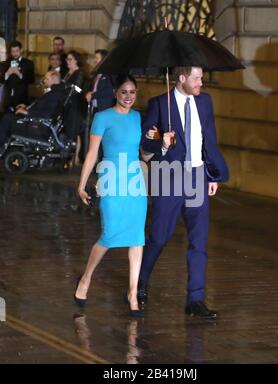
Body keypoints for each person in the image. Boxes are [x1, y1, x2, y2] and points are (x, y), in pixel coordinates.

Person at [138, 66, 229, 319]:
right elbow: (144, 145)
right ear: (181, 78)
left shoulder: (205, 102)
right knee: (159, 237)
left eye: (202, 77)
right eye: (196, 77)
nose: (201, 81)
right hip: (169, 179)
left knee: (199, 241)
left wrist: (212, 174)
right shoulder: (159, 104)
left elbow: (209, 140)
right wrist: (161, 143)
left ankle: (196, 299)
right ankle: (141, 280)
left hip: (198, 177)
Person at [74, 74, 147, 317]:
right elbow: (92, 153)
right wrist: (82, 184)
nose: (129, 97)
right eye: (124, 92)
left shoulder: (138, 117)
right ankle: (86, 278)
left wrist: (164, 143)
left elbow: (145, 155)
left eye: (133, 92)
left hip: (135, 181)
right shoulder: (103, 117)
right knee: (109, 234)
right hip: (111, 179)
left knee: (137, 239)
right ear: (115, 92)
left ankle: (132, 292)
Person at [0, 70, 65, 144]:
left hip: (37, 127)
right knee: (9, 114)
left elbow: (47, 115)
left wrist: (27, 112)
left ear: (53, 79)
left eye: (46, 79)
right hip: (36, 123)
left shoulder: (54, 95)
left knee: (7, 118)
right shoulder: (56, 92)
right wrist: (27, 107)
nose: (44, 81)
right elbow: (42, 107)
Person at [63, 50, 85, 164]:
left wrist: (69, 86)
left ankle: (75, 157)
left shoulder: (79, 73)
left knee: (74, 132)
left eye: (70, 59)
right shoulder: (69, 73)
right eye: (67, 59)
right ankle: (71, 156)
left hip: (75, 106)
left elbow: (79, 89)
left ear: (76, 60)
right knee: (69, 132)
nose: (67, 61)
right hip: (67, 105)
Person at [0, 40, 34, 110]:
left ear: (21, 50)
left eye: (16, 51)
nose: (15, 53)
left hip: (21, 98)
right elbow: (1, 80)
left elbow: (31, 80)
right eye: (13, 51)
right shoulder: (6, 63)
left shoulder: (28, 63)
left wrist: (19, 74)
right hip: (7, 99)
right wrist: (7, 74)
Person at [85, 49, 115, 115]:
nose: (94, 60)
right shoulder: (96, 74)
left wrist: (93, 95)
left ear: (104, 60)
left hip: (105, 109)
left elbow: (110, 91)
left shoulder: (109, 73)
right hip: (95, 109)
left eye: (97, 58)